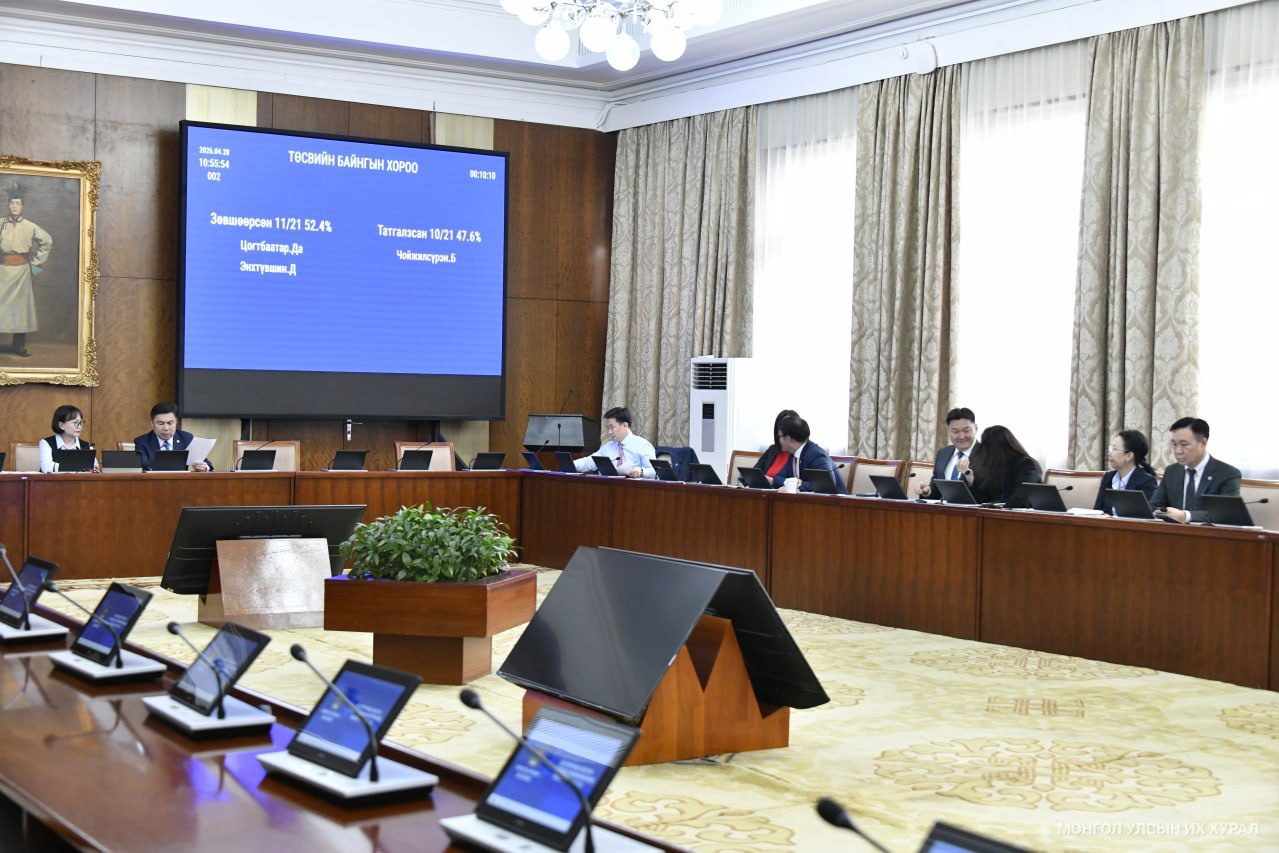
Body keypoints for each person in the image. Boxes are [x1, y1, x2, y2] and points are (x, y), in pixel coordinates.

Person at [1151, 417, 1241, 523]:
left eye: (1184, 444)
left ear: (1203, 443)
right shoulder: (1172, 471)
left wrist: (1186, 516)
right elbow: (1154, 506)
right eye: (1174, 444)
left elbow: (1225, 513)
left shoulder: (1227, 474)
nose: (1178, 451)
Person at [0, 183, 53, 358]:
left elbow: (47, 241)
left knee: (21, 310)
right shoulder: (1, 223)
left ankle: (19, 346)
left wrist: (35, 265)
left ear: (22, 206)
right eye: (11, 203)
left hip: (22, 272)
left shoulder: (30, 226)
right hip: (3, 272)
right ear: (7, 204)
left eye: (18, 203)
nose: (14, 207)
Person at [770, 414, 847, 494]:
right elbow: (778, 478)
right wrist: (794, 483)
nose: (779, 440)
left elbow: (824, 485)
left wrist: (796, 486)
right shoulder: (793, 454)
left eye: (779, 436)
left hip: (835, 501)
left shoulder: (816, 455)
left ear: (788, 439)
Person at [966, 425, 1041, 505]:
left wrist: (993, 505)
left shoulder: (1027, 465)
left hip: (1020, 512)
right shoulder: (993, 467)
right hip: (996, 511)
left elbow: (1021, 499)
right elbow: (982, 499)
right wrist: (970, 480)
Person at [574, 406, 655, 479]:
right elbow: (589, 462)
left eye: (612, 427)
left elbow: (654, 471)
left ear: (625, 425)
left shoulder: (643, 445)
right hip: (610, 486)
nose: (609, 432)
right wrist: (571, 464)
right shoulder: (608, 446)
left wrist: (641, 471)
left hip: (634, 488)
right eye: (608, 428)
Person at [916, 407, 979, 497]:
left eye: (966, 431)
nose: (961, 436)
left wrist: (970, 480)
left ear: (976, 428)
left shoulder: (989, 455)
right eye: (955, 432)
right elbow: (937, 489)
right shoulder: (943, 453)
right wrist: (927, 491)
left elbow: (991, 494)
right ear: (948, 431)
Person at [1094, 429, 1158, 515]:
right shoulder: (1108, 477)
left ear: (1128, 456)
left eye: (1114, 449)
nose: (1109, 454)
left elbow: (1147, 516)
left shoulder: (1147, 482)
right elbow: (1097, 511)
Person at [133, 402, 213, 471]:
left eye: (170, 423)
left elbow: (208, 465)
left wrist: (204, 467)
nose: (166, 428)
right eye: (160, 423)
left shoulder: (186, 438)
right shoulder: (142, 442)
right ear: (152, 424)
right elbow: (144, 465)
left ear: (176, 422)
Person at [39, 404, 95, 472]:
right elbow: (46, 468)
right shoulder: (46, 443)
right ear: (61, 425)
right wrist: (78, 466)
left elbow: (94, 468)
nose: (79, 426)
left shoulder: (86, 446)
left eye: (81, 422)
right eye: (75, 423)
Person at [753, 409, 799, 482]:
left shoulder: (799, 454)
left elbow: (797, 482)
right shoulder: (772, 449)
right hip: (763, 488)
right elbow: (754, 472)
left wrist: (772, 481)